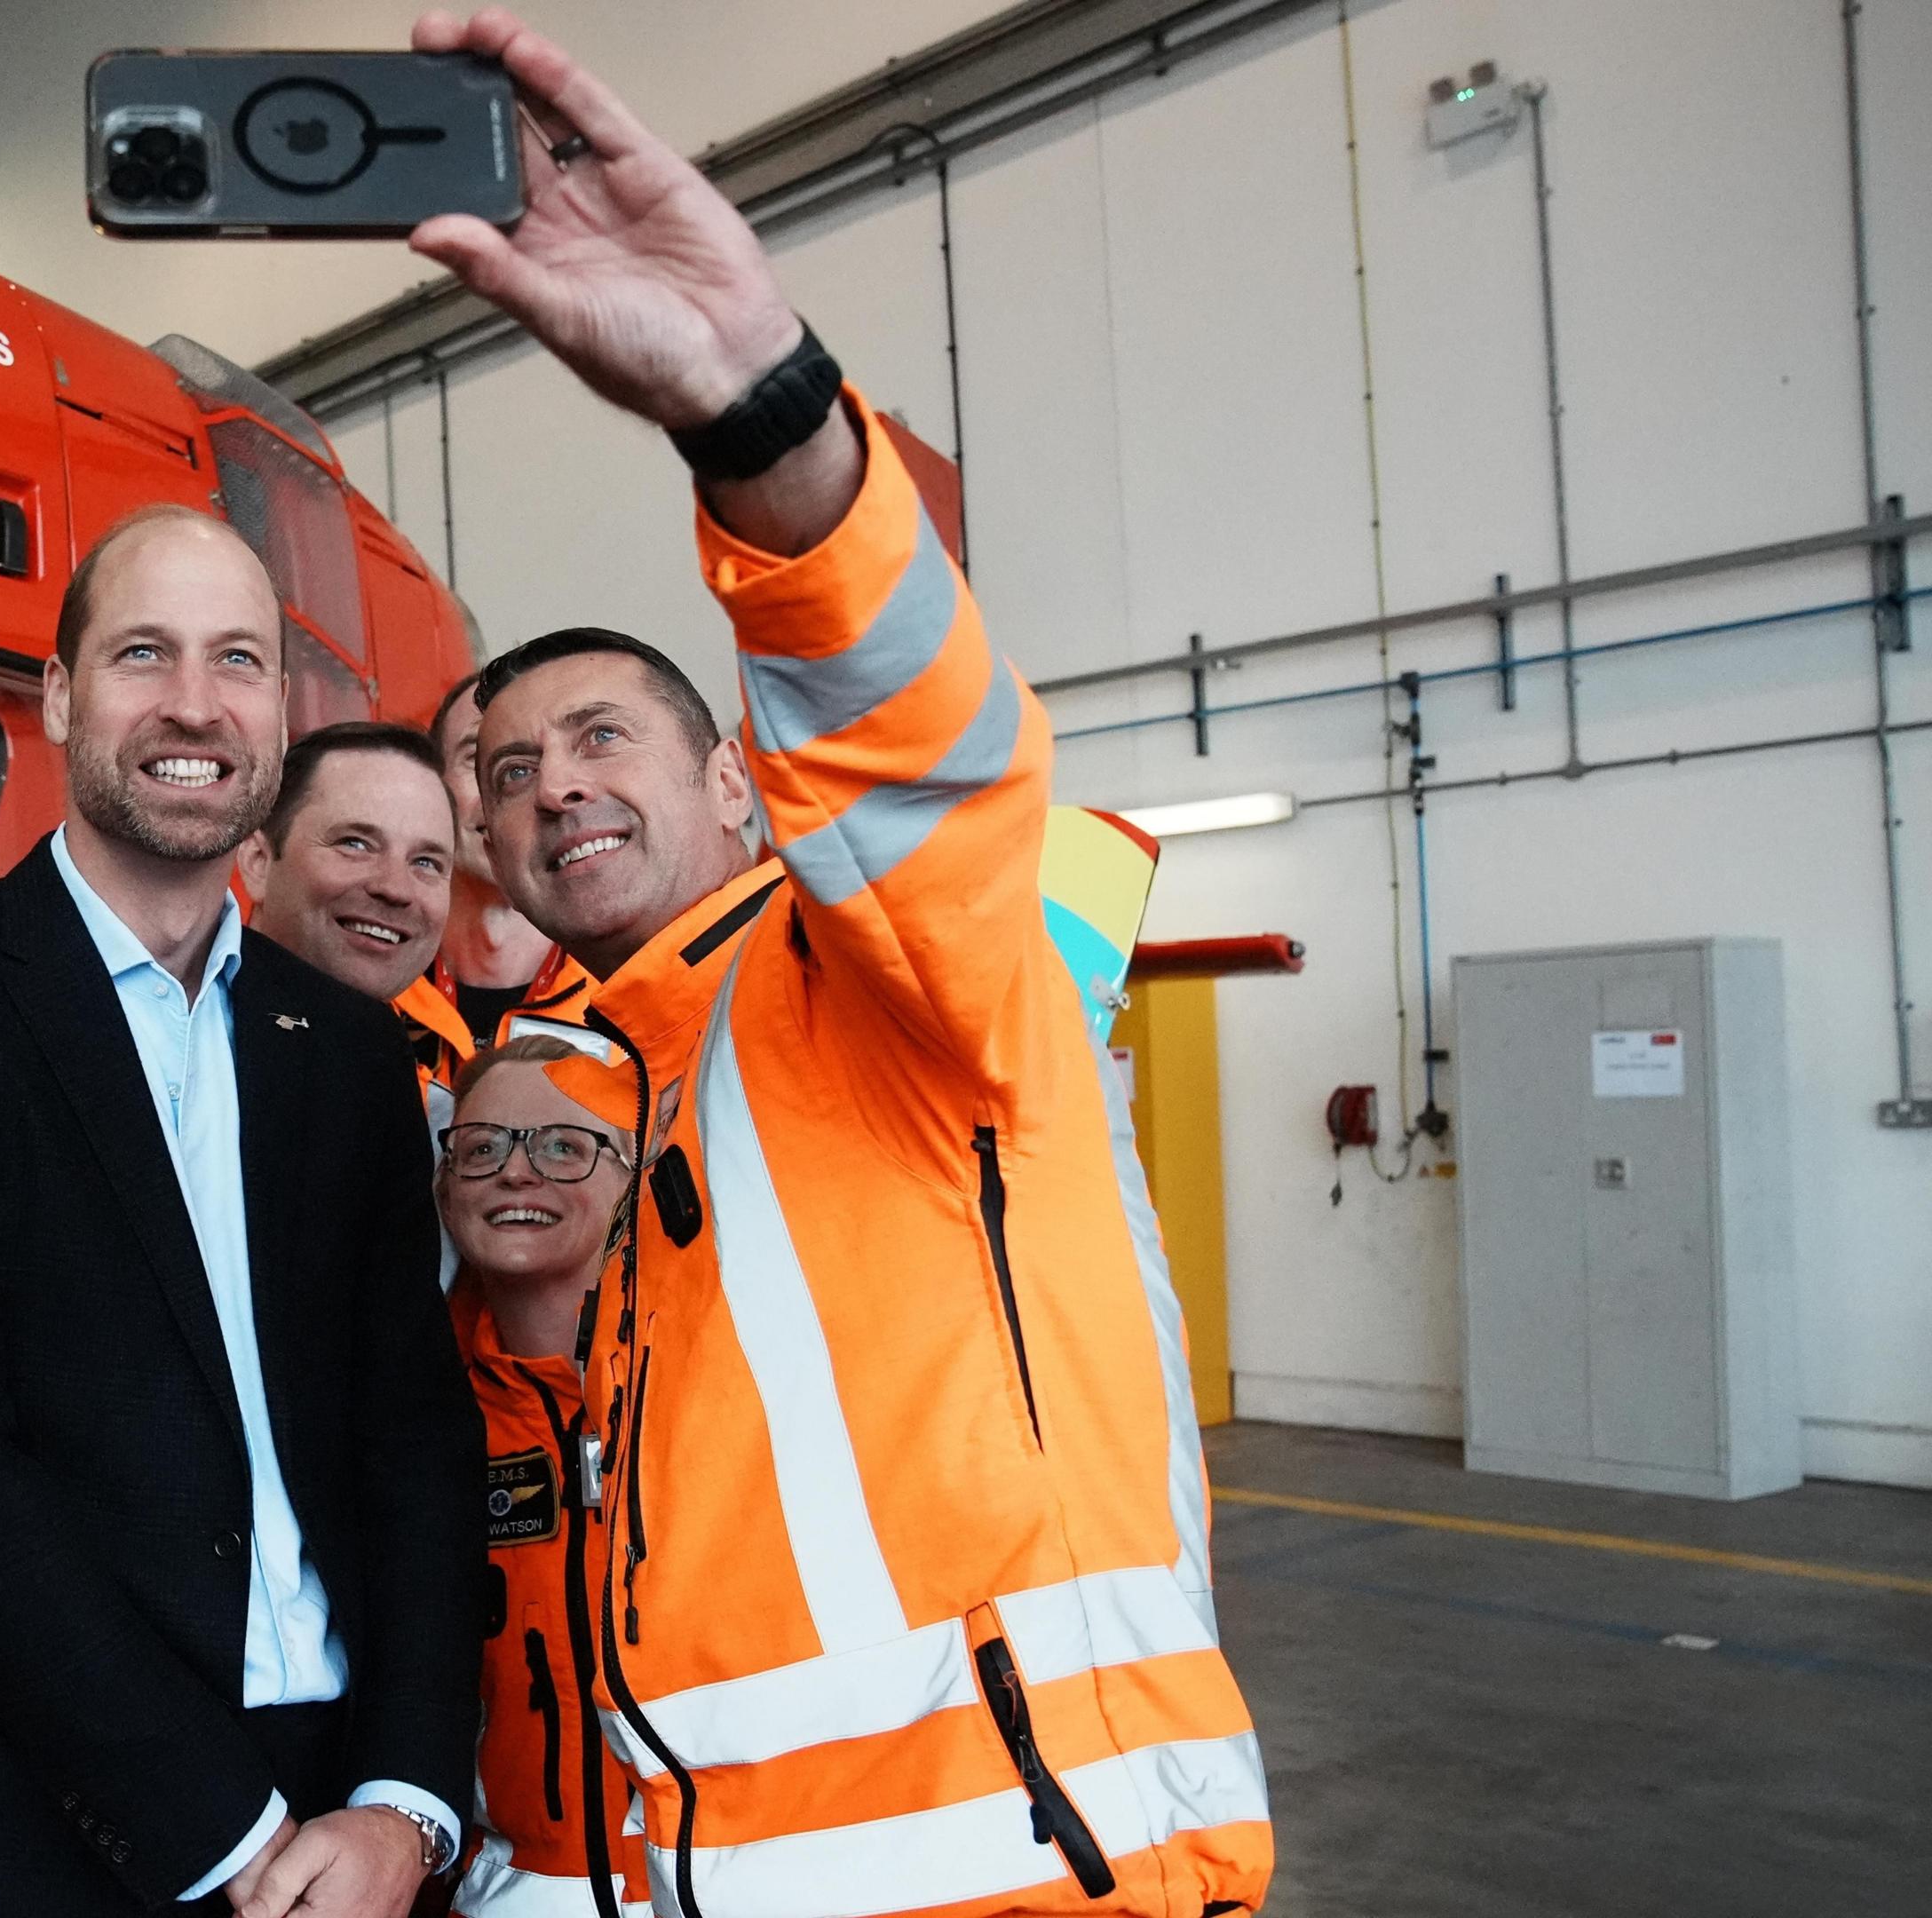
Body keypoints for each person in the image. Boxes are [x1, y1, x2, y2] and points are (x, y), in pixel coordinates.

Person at [408, 10, 1271, 1916]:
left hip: (1025, 1874)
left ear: (731, 770)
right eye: (508, 773)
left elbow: (912, 723)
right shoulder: (606, 1066)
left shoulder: (880, 965)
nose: (553, 792)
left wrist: (756, 413)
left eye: (603, 740)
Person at [0, 502, 482, 1918]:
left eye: (237, 661)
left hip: (361, 1834)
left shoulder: (347, 1050)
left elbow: (413, 1440)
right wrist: (225, 1831)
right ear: (58, 695)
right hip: (69, 1825)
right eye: (143, 654)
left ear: (279, 716)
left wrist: (407, 1802)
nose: (193, 705)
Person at [432, 1038, 645, 1918]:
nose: (518, 1173)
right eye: (482, 1148)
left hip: (712, 1880)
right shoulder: (406, 1413)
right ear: (443, 1187)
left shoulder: (714, 1388)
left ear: (639, 1178)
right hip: (501, 1889)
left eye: (565, 1147)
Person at [400, 677, 594, 1106]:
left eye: (529, 765)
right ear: (434, 786)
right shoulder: (367, 988)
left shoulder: (629, 1002)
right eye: (477, 757)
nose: (507, 790)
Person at [233, 718, 456, 1011]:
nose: (395, 888)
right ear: (258, 862)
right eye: (355, 844)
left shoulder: (400, 1049)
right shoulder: (172, 1039)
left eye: (426, 862)